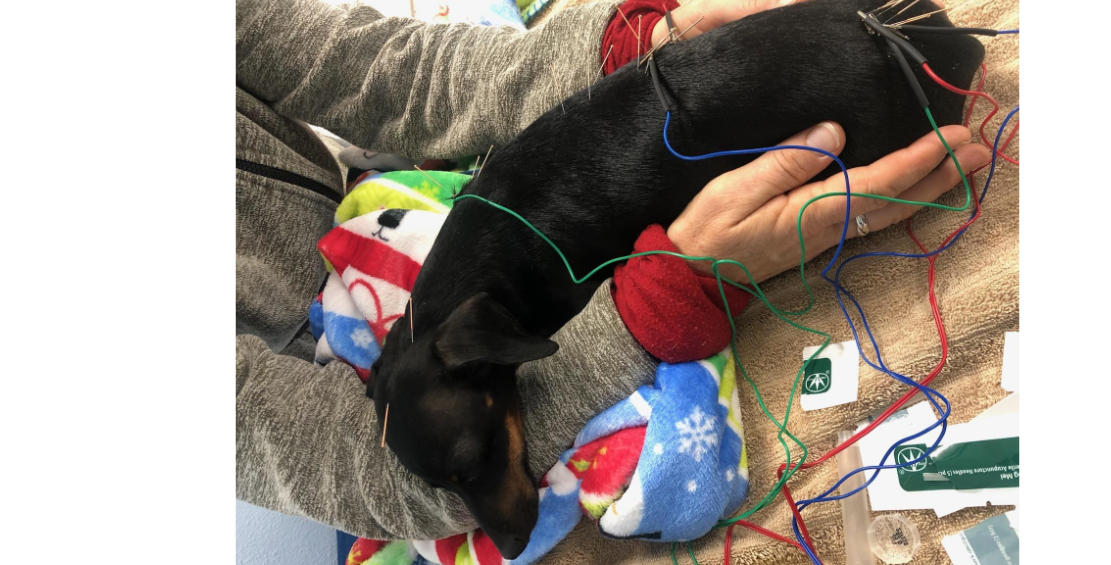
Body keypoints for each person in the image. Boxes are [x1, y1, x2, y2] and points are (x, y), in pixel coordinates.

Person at [235, 0, 989, 543]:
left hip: (408, 245)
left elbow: (389, 74)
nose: (505, 523)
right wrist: (657, 298)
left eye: (477, 468)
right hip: (343, 354)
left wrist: (628, 45)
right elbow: (357, 472)